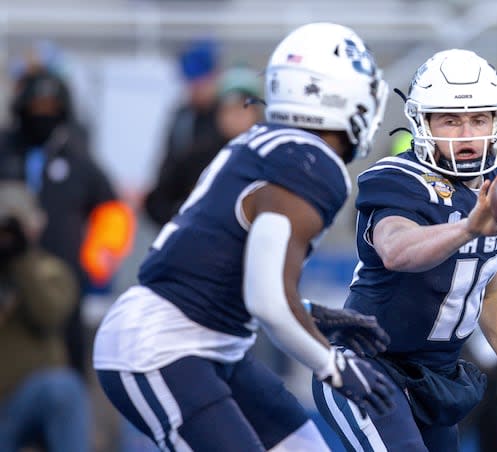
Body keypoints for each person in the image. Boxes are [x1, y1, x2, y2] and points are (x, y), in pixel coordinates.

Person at [93, 23, 395, 451]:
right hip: (161, 347)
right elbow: (267, 301)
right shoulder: (310, 164)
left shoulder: (267, 143)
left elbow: (231, 270)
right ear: (337, 94)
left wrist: (307, 311)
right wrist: (333, 366)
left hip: (212, 344)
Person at [313, 49, 497, 452]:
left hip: (435, 375)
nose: (468, 133)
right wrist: (468, 228)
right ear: (423, 122)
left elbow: (493, 288)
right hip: (365, 364)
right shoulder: (397, 179)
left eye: (478, 119)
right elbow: (396, 249)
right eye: (451, 120)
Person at [0, 70, 134, 376]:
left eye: (50, 108)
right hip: (6, 282)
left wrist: (96, 259)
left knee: (67, 372)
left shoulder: (76, 156)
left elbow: (112, 208)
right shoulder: (5, 150)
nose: (42, 115)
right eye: (36, 108)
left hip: (60, 285)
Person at [0, 182, 90, 452]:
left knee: (65, 389)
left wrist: (20, 260)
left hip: (26, 401)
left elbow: (49, 314)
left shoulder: (49, 270)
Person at [144, 64, 264, 225]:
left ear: (256, 113)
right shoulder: (196, 156)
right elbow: (157, 201)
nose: (235, 116)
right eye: (228, 109)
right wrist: (183, 223)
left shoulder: (268, 158)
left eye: (243, 108)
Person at [144, 38, 221, 227]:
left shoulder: (227, 118)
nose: (194, 89)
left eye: (201, 82)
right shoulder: (182, 119)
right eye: (191, 83)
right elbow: (167, 174)